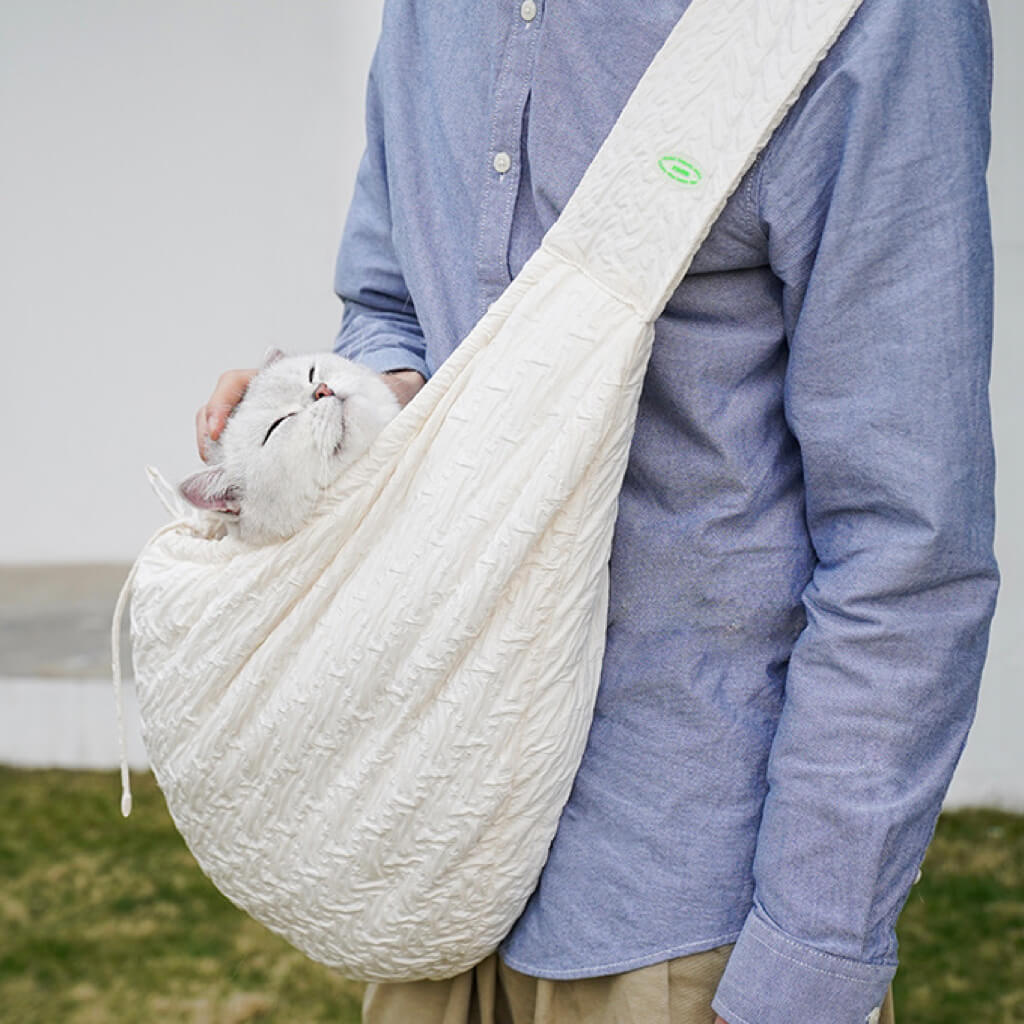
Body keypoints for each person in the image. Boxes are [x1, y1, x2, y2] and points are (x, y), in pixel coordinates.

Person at [196, 1, 998, 1021]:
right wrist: (328, 423)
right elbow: (396, 304)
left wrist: (805, 969)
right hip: (432, 863)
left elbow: (904, 547)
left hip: (677, 911)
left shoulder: (872, 20)